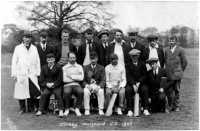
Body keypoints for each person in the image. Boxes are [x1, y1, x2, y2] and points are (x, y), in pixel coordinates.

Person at [11, 30, 41, 114]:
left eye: (29, 37)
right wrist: (14, 74)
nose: (28, 39)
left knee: (32, 91)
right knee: (21, 91)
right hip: (21, 73)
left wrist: (38, 72)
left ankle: (30, 108)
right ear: (23, 38)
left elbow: (38, 61)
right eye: (26, 37)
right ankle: (22, 108)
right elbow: (14, 61)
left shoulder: (34, 48)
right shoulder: (18, 48)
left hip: (32, 73)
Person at [164, 35, 188, 112]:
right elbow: (165, 61)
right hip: (169, 74)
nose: (171, 42)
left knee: (176, 90)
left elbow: (184, 62)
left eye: (173, 41)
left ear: (176, 42)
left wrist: (180, 70)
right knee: (169, 91)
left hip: (177, 73)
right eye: (170, 41)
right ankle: (171, 105)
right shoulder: (167, 50)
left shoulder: (181, 50)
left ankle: (177, 105)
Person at [125, 49, 150, 116]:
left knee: (145, 89)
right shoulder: (127, 64)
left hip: (140, 83)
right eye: (133, 56)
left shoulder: (142, 64)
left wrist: (139, 82)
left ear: (138, 56)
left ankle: (145, 109)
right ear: (131, 56)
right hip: (131, 84)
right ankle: (130, 110)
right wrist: (133, 84)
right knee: (128, 90)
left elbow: (144, 75)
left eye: (136, 56)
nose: (135, 57)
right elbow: (128, 76)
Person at [36, 31, 54, 111]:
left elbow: (53, 60)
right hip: (38, 70)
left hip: (47, 71)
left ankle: (46, 106)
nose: (44, 38)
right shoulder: (35, 48)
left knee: (46, 88)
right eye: (42, 37)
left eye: (45, 37)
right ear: (40, 38)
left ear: (47, 38)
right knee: (38, 88)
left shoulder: (51, 48)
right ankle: (37, 106)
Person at [62, 52, 84, 116]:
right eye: (71, 58)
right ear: (68, 58)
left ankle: (77, 108)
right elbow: (64, 79)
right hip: (67, 85)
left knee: (81, 92)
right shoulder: (64, 67)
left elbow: (81, 78)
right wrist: (76, 76)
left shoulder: (79, 67)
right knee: (66, 92)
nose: (72, 59)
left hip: (77, 84)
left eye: (74, 58)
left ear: (76, 58)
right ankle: (67, 109)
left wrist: (71, 76)